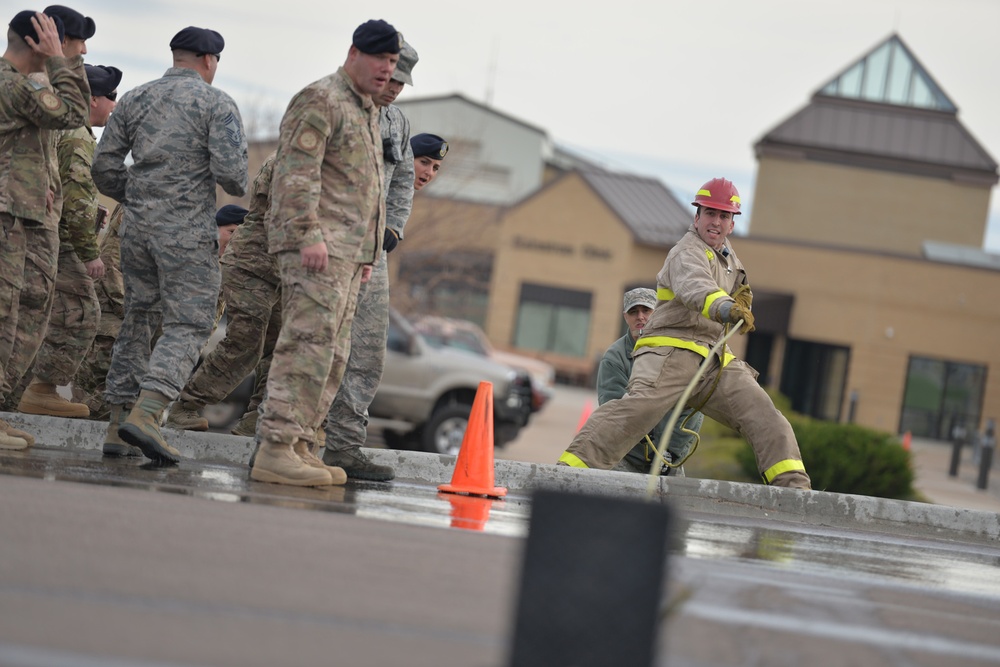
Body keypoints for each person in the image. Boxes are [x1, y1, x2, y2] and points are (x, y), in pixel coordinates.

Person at [559, 178, 811, 490]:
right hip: (670, 352)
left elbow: (735, 292)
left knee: (764, 415)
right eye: (710, 213)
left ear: (732, 224)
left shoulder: (730, 259)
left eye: (723, 216)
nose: (715, 222)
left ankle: (795, 492)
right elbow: (696, 287)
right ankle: (566, 474)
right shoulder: (686, 252)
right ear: (697, 217)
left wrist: (744, 298)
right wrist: (727, 307)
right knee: (637, 411)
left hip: (712, 358)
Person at [251, 19, 400, 487]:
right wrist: (306, 234)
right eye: (379, 58)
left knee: (333, 353)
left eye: (393, 62)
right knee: (306, 346)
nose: (386, 69)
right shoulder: (322, 99)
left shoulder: (368, 110)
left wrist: (367, 254)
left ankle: (301, 443)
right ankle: (275, 447)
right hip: (316, 249)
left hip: (348, 257)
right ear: (354, 53)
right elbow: (297, 173)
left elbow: (367, 189)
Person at [91, 25, 248, 463]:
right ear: (209, 61)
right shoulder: (216, 103)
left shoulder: (137, 97)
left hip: (137, 228)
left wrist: (142, 196)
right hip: (186, 230)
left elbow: (103, 167)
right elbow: (234, 177)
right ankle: (149, 411)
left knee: (138, 317)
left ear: (176, 55)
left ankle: (118, 423)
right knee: (190, 322)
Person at [320, 39, 419, 481]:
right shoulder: (334, 106)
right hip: (325, 247)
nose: (395, 87)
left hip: (371, 255)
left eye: (403, 80)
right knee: (313, 346)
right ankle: (284, 439)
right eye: (392, 77)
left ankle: (342, 445)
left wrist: (392, 230)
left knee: (365, 353)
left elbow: (402, 181)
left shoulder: (396, 121)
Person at [0, 10, 89, 450]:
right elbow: (73, 112)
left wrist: (43, 185)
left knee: (25, 317)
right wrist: (60, 62)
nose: (82, 51)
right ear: (39, 43)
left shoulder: (22, 88)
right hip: (6, 218)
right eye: (74, 42)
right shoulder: (11, 85)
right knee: (3, 317)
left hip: (24, 214)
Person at [17, 63, 120, 420]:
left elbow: (65, 190)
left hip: (49, 236)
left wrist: (93, 216)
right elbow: (75, 197)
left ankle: (17, 395)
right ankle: (42, 389)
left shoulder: (69, 129)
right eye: (111, 97)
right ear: (93, 99)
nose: (114, 105)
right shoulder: (77, 135)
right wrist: (91, 252)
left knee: (36, 316)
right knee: (82, 315)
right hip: (62, 243)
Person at [598, 288, 704, 476]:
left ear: (659, 313)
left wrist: (671, 452)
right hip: (625, 459)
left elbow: (693, 407)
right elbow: (613, 412)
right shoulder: (615, 359)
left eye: (646, 310)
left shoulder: (680, 353)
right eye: (633, 312)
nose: (640, 317)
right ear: (625, 317)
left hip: (669, 462)